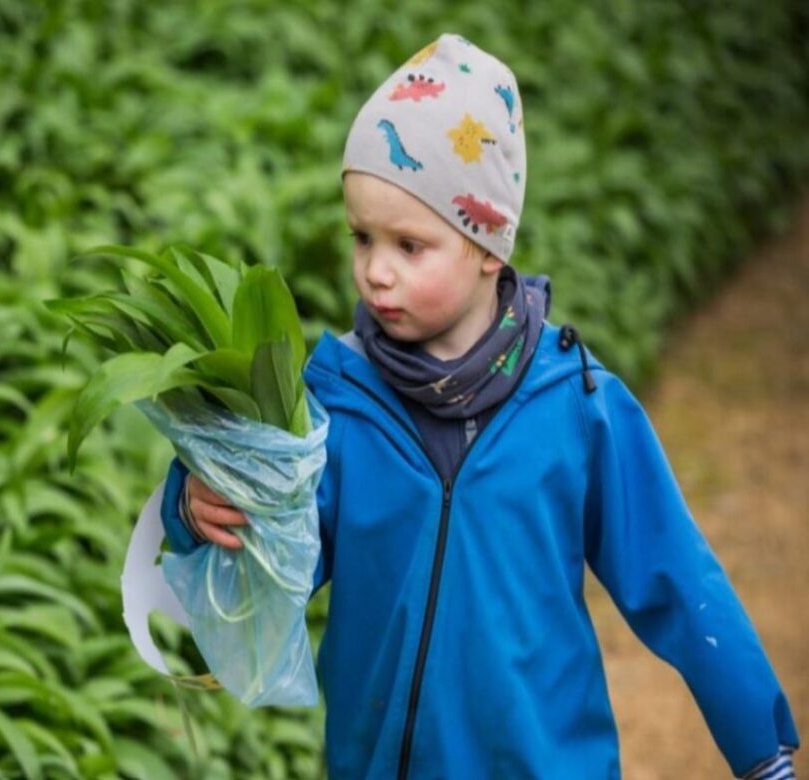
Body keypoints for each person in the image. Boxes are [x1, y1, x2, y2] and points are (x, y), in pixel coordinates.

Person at [157, 32, 799, 779]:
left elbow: (677, 576)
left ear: (487, 245)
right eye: (361, 238)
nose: (375, 272)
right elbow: (275, 554)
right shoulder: (335, 401)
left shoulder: (576, 405)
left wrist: (760, 747)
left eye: (409, 244)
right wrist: (199, 498)